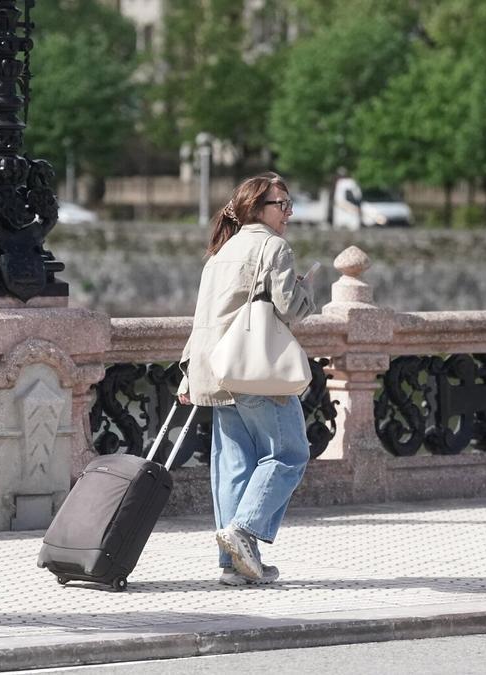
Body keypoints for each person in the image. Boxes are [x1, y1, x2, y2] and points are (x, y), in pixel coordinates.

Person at [177, 172, 316, 586]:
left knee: (233, 466)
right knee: (289, 454)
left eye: (290, 204)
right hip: (254, 370)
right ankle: (244, 530)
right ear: (257, 209)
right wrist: (307, 289)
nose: (289, 213)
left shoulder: (221, 251)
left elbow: (203, 319)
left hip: (215, 369)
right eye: (282, 204)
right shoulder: (273, 246)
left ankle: (232, 565)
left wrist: (188, 372)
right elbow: (291, 310)